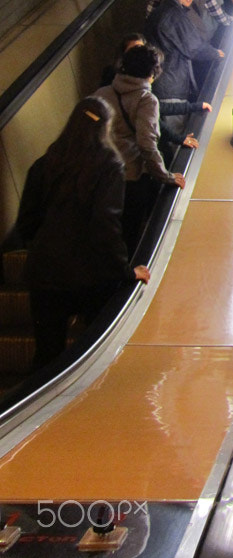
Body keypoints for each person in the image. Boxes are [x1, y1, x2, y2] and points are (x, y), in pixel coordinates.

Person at [15, 96, 151, 369]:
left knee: (47, 355)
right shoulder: (109, 166)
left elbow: (25, 224)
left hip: (45, 275)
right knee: (95, 355)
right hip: (92, 277)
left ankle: (39, 410)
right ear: (105, 128)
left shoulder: (44, 164)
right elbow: (106, 225)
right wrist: (125, 271)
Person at [96, 45, 186, 255]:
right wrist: (165, 176)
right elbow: (147, 143)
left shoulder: (102, 93)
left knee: (108, 230)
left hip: (101, 174)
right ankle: (128, 276)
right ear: (153, 72)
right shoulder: (146, 100)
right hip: (131, 176)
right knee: (131, 231)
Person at [145, 0, 225, 105]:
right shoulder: (174, 15)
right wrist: (216, 53)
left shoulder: (158, 12)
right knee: (175, 121)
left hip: (159, 81)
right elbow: (194, 47)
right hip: (171, 85)